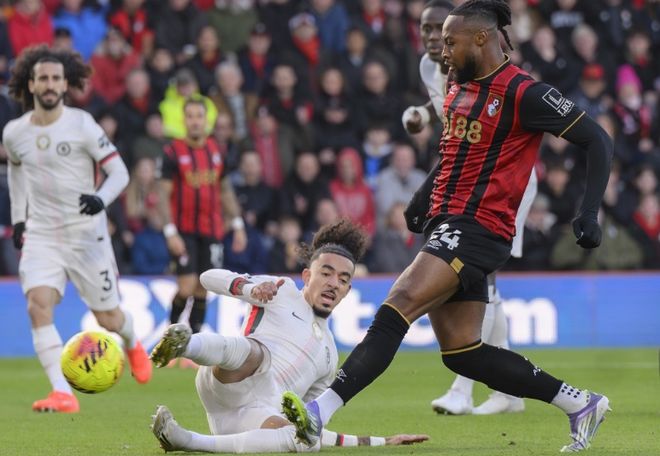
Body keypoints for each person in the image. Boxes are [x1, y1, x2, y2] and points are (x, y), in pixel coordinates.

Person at [281, 1, 613, 453]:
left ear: (482, 38)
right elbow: (454, 155)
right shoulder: (458, 86)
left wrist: (588, 212)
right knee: (463, 352)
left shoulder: (524, 93)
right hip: (448, 220)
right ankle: (580, 403)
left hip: (479, 227)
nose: (442, 50)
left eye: (451, 41)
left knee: (396, 306)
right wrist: (422, 201)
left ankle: (318, 412)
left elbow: (598, 139)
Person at [148, 220, 428, 453]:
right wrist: (249, 289)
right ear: (307, 276)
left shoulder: (330, 356)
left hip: (255, 417)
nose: (333, 283)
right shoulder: (281, 290)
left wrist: (381, 441)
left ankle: (187, 441)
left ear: (348, 290)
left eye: (343, 280)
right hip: (231, 379)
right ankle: (185, 345)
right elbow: (208, 278)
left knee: (306, 441)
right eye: (326, 273)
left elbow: (313, 423)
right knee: (257, 353)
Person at [402, 0, 535, 416]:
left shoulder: (480, 66)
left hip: (501, 180)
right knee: (486, 282)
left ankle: (463, 389)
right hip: (461, 178)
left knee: (482, 276)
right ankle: (509, 394)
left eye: (438, 29)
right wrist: (423, 115)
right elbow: (449, 109)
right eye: (425, 29)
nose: (431, 37)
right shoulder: (431, 68)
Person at [3, 46, 152, 413]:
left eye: (56, 78)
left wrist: (101, 199)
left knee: (108, 318)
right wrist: (19, 218)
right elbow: (17, 172)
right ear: (31, 84)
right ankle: (62, 393)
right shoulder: (15, 133)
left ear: (65, 84)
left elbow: (119, 172)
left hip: (86, 234)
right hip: (42, 233)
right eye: (43, 78)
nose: (49, 84)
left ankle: (131, 341)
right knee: (38, 305)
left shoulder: (82, 124)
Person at [158, 97, 247, 358]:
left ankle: (191, 348)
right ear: (184, 120)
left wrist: (238, 224)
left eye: (199, 116)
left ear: (206, 120)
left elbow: (225, 189)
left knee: (202, 288)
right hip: (183, 230)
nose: (195, 121)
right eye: (190, 116)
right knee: (186, 286)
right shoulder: (172, 152)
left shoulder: (217, 150)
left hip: (212, 230)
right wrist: (170, 231)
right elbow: (162, 195)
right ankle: (169, 337)